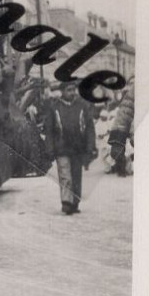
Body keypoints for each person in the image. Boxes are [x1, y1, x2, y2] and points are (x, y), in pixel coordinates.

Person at [45, 82, 97, 214]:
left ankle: (75, 202)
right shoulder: (54, 108)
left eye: (74, 90)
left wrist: (90, 146)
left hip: (78, 148)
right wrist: (49, 148)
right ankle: (66, 202)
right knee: (65, 176)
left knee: (76, 176)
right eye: (69, 90)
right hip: (61, 148)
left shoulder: (82, 106)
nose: (72, 92)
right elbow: (49, 130)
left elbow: (90, 127)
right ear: (62, 91)